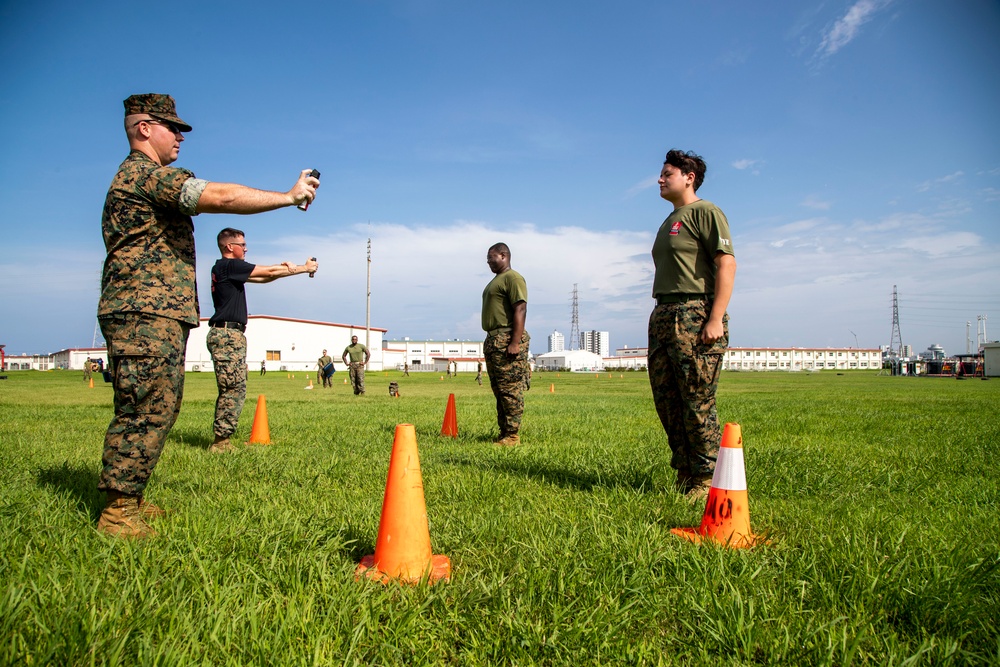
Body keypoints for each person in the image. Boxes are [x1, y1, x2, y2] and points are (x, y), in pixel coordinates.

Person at [96, 93, 320, 538]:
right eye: (171, 127)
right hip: (143, 311)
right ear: (144, 128)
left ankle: (130, 499)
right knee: (145, 406)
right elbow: (219, 196)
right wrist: (288, 196)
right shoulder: (146, 176)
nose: (180, 136)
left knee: (158, 403)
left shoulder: (141, 180)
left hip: (152, 311)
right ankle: (117, 512)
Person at [647, 149, 736, 500]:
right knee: (667, 399)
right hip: (665, 313)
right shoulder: (669, 220)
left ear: (689, 177)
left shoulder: (705, 212)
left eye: (667, 173)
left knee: (697, 399)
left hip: (694, 312)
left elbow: (726, 264)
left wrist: (715, 317)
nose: (660, 178)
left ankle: (705, 476)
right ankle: (685, 471)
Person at [207, 228, 318, 453]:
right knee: (232, 388)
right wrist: (303, 268)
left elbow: (264, 277)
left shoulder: (228, 269)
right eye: (242, 244)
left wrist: (287, 268)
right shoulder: (229, 265)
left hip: (231, 335)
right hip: (227, 335)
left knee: (235, 386)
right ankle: (220, 443)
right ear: (230, 247)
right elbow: (266, 272)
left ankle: (223, 438)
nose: (246, 248)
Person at [481, 243, 530, 446]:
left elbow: (520, 309)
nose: (488, 261)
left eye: (491, 257)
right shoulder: (496, 281)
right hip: (494, 340)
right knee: (499, 390)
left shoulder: (513, 278)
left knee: (510, 389)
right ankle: (504, 433)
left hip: (506, 338)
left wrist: (515, 342)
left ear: (503, 255)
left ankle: (512, 435)